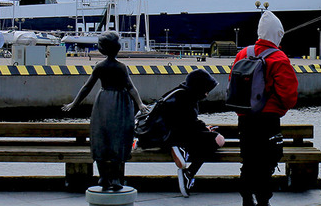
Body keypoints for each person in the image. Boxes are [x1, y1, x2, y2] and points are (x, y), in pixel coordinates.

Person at [231, 10, 298, 206]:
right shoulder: (278, 57)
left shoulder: (243, 53)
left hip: (245, 117)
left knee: (249, 160)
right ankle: (263, 205)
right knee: (267, 160)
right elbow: (289, 94)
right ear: (277, 34)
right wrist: (279, 109)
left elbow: (233, 84)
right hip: (268, 118)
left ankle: (247, 204)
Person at [62, 31, 146, 192]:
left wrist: (74, 103)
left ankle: (103, 177)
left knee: (100, 137)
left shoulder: (100, 66)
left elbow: (87, 87)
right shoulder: (121, 67)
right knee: (118, 138)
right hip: (120, 102)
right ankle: (115, 178)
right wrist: (140, 103)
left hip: (103, 101)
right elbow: (130, 87)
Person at [158, 69, 225, 197]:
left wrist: (203, 128)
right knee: (219, 140)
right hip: (177, 137)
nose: (207, 94)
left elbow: (185, 122)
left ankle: (184, 155)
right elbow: (189, 123)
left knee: (208, 142)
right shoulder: (187, 98)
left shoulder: (178, 93)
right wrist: (205, 129)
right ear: (199, 87)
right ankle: (189, 172)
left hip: (167, 137)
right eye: (206, 90)